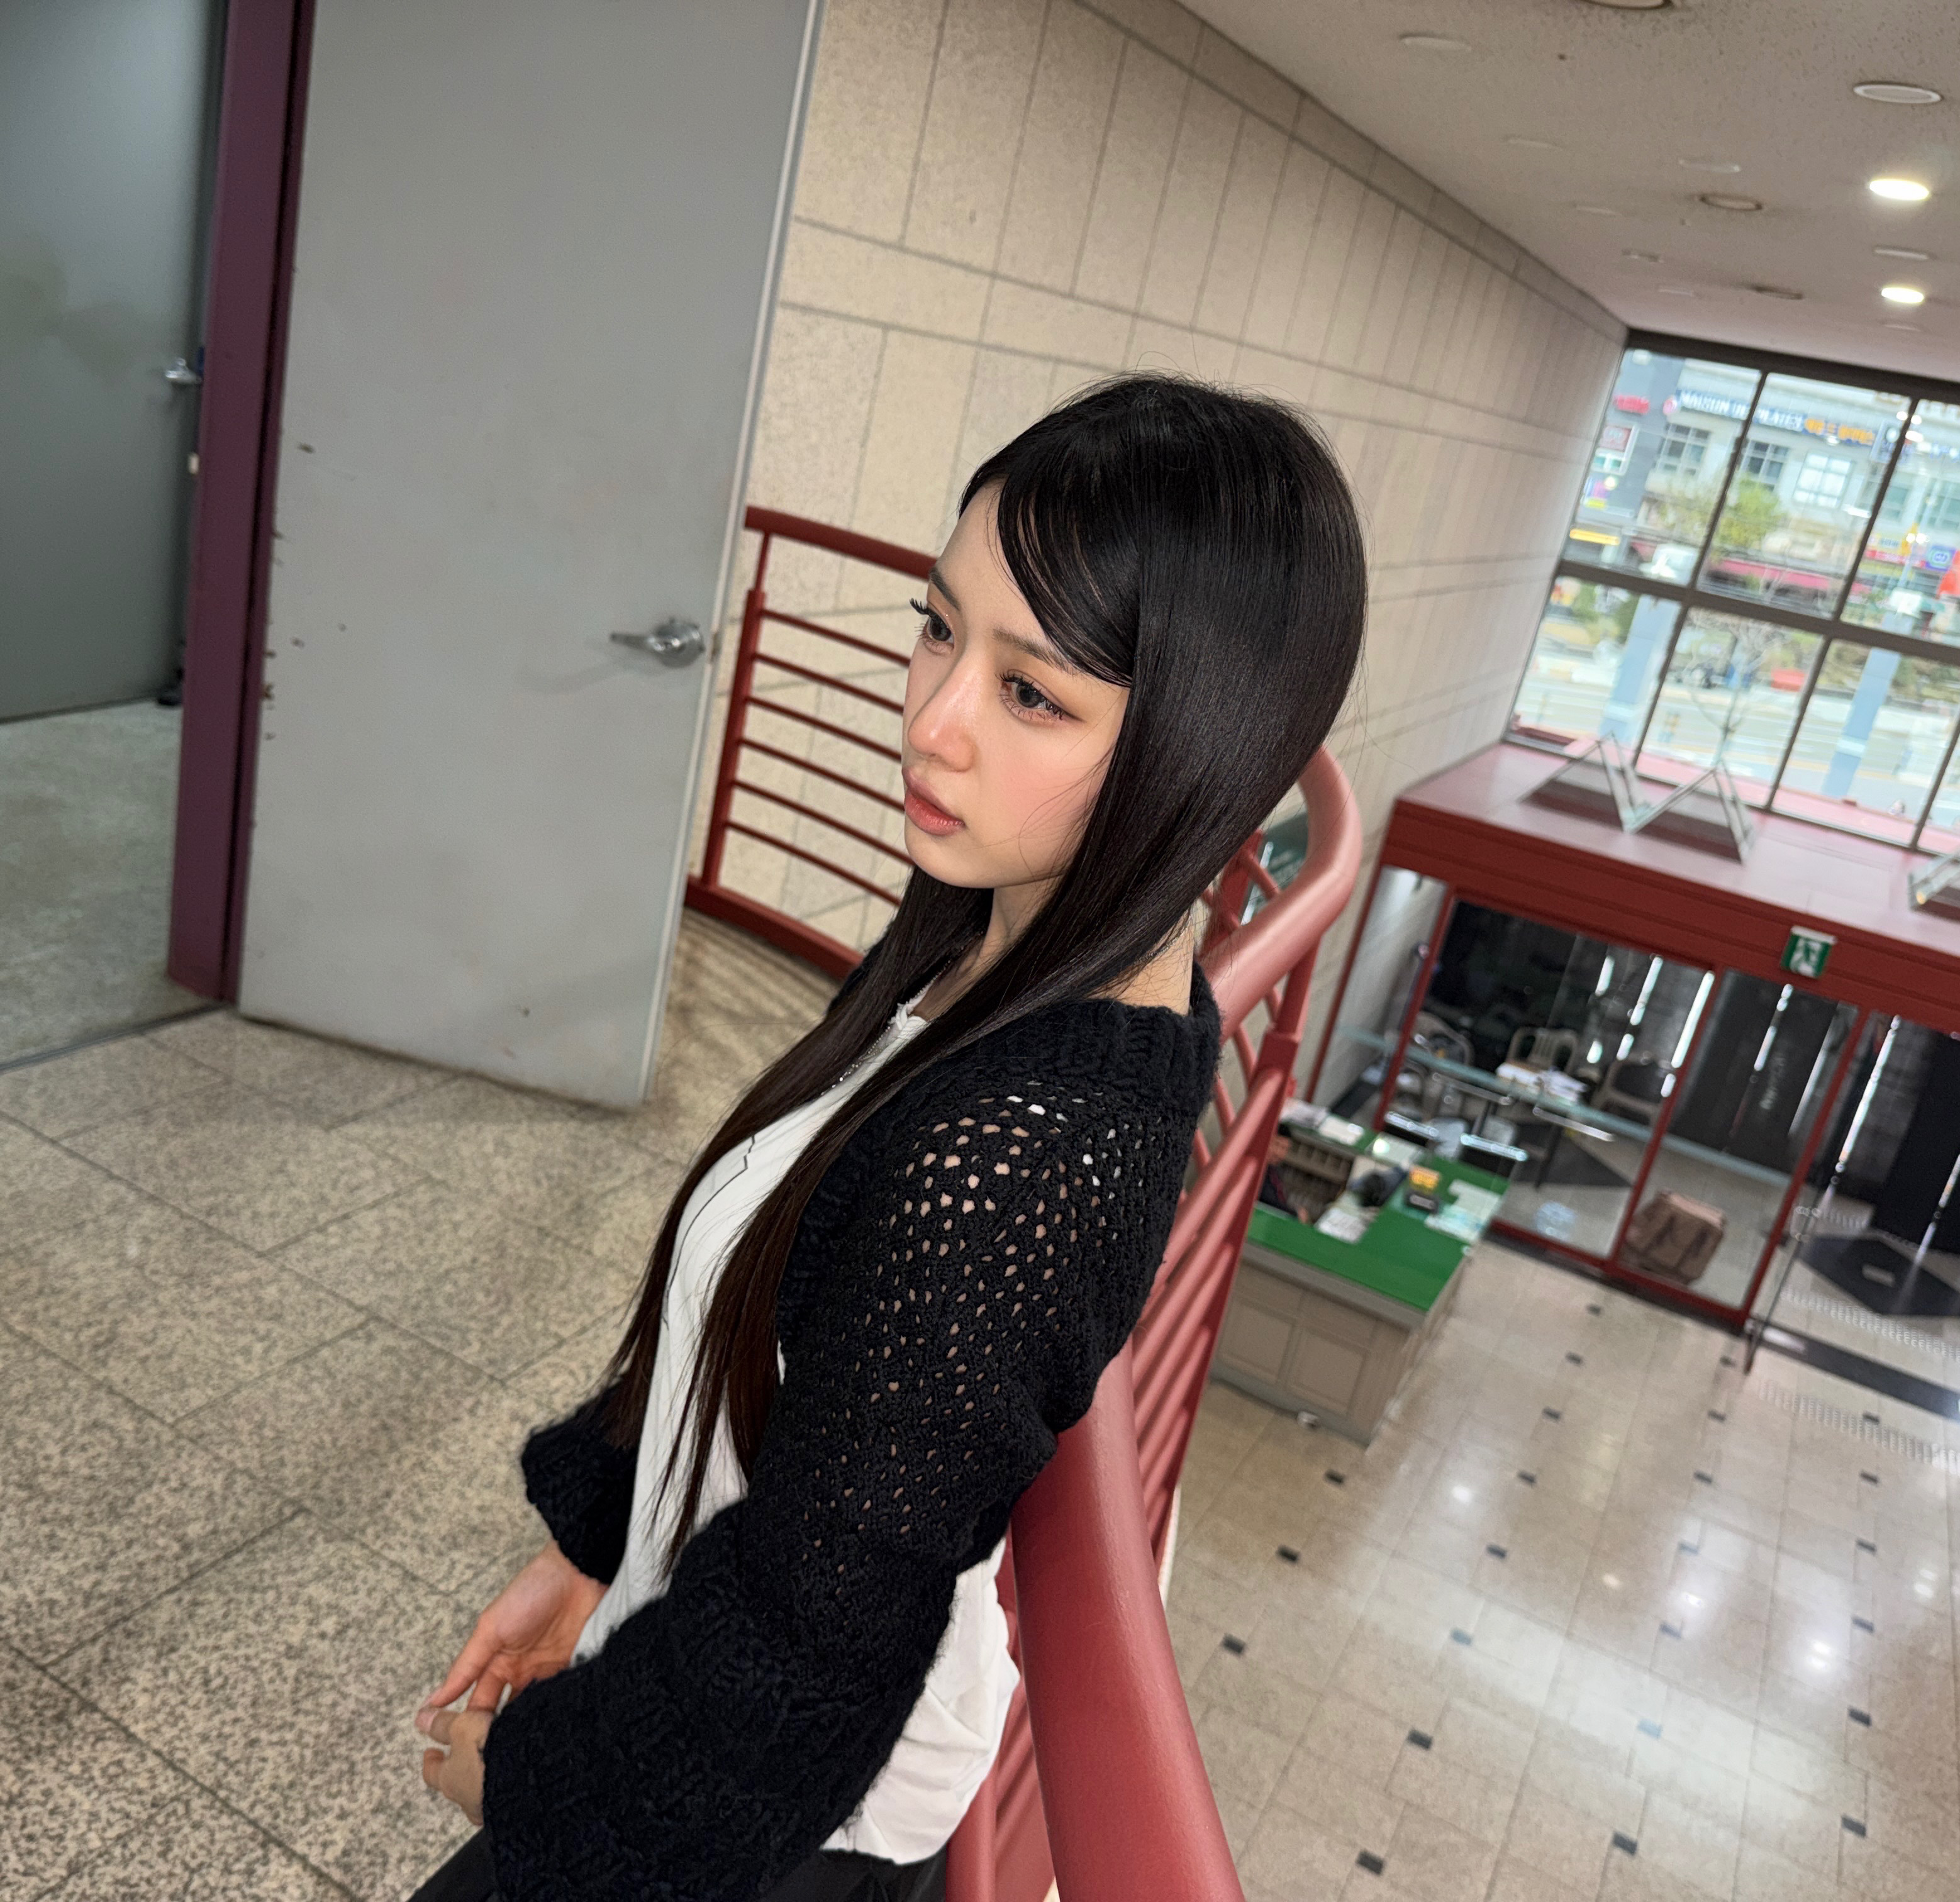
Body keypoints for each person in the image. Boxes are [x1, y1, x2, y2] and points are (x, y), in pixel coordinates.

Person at [409, 374, 1366, 1902]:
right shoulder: (1003, 939)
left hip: (776, 1836)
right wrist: (599, 1540)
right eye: (938, 626)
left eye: (1033, 694)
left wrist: (520, 1785)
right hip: (718, 1714)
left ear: (1198, 755)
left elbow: (802, 1654)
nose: (932, 721)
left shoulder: (1017, 1157)